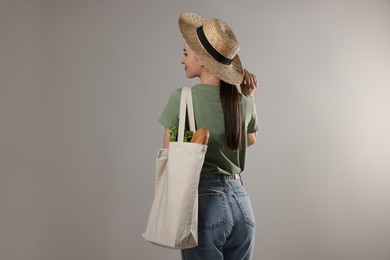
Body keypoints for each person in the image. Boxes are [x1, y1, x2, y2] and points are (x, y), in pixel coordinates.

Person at [159, 12, 259, 260]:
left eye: (185, 54)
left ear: (202, 60)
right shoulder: (243, 102)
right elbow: (249, 140)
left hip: (204, 203)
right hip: (242, 205)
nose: (182, 60)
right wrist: (249, 97)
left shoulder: (182, 99)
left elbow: (170, 154)